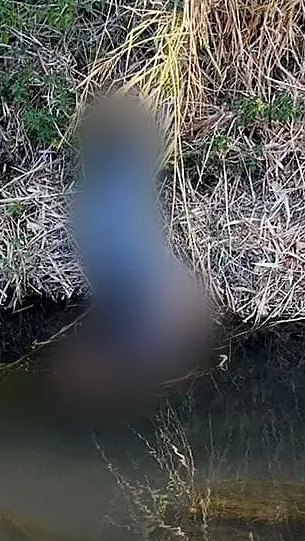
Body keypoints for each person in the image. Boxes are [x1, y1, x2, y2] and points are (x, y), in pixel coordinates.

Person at [59, 91, 212, 403]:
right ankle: (146, 129)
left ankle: (123, 142)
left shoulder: (120, 354)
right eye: (78, 372)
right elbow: (166, 317)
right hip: (155, 286)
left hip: (142, 285)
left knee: (99, 220)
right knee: (116, 221)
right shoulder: (134, 354)